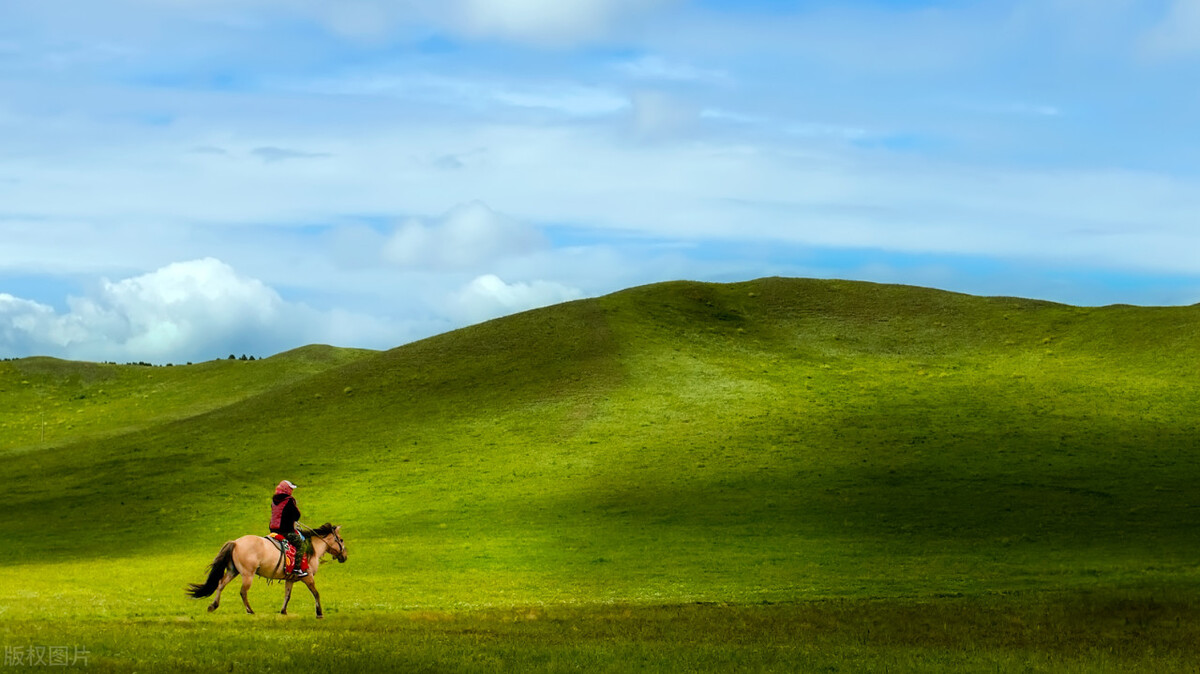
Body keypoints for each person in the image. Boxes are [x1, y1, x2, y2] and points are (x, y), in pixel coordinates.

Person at [269, 480, 308, 578]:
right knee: (300, 544)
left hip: (273, 531)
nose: (291, 491)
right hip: (286, 531)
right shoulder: (289, 500)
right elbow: (297, 516)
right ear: (286, 489)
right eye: (290, 489)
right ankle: (297, 569)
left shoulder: (274, 500)